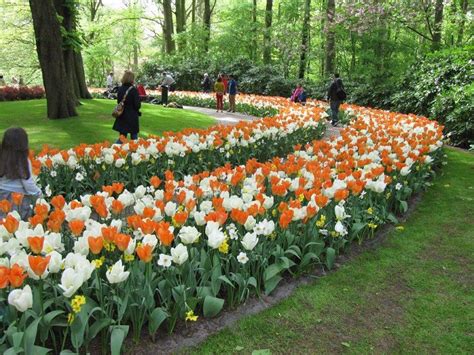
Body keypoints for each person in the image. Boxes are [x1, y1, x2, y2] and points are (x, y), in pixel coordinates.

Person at [0, 127, 42, 220]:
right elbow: (28, 185)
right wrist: (39, 194)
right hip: (17, 201)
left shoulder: (1, 157)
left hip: (1, 196)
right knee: (16, 221)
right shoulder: (23, 160)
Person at [112, 71, 141, 143]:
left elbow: (119, 102)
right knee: (134, 139)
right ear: (132, 79)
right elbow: (137, 105)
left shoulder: (120, 89)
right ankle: (134, 152)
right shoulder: (133, 90)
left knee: (122, 138)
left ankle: (115, 150)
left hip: (122, 115)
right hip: (132, 116)